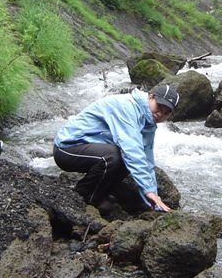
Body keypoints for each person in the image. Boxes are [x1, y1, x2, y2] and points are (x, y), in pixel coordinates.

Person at [53, 83, 179, 212]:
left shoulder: (149, 123)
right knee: (113, 156)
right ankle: (84, 197)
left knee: (123, 159)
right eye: (159, 107)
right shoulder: (126, 106)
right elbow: (131, 150)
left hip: (91, 148)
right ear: (150, 97)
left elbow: (146, 160)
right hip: (66, 148)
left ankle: (99, 195)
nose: (160, 114)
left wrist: (154, 198)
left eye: (166, 113)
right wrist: (148, 191)